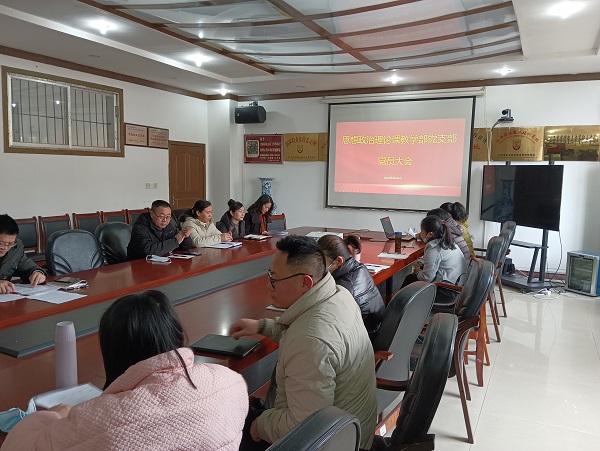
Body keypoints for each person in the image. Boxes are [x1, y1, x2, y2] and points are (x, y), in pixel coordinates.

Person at [2, 290, 249, 450]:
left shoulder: (101, 420)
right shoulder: (231, 381)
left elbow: (17, 446)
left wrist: (52, 416)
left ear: (113, 351)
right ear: (176, 334)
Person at [230, 235, 377, 450]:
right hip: (353, 432)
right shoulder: (339, 295)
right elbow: (304, 329)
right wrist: (261, 326)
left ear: (305, 283)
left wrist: (259, 425)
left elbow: (303, 427)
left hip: (330, 443)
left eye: (274, 279)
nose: (268, 286)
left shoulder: (311, 341)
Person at [317, 234, 385, 341]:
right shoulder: (359, 268)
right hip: (375, 330)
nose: (316, 267)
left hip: (363, 341)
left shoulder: (341, 290)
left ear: (338, 261)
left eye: (320, 263)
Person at [401, 215, 467, 288]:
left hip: (446, 289)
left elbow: (426, 278)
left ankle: (399, 296)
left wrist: (417, 271)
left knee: (410, 278)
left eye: (421, 231)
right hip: (458, 283)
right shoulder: (448, 242)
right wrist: (421, 263)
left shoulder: (434, 248)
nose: (420, 233)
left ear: (430, 234)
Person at [126, 200, 192, 260]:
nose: (165, 220)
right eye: (161, 216)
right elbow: (149, 252)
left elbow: (183, 248)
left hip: (162, 262)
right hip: (139, 264)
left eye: (168, 216)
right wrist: (176, 241)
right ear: (152, 214)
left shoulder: (168, 226)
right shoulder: (140, 228)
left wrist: (185, 237)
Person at [0, 214, 46, 294]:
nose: (5, 248)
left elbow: (28, 267)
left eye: (10, 244)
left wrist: (37, 273)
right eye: (1, 243)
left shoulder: (16, 247)